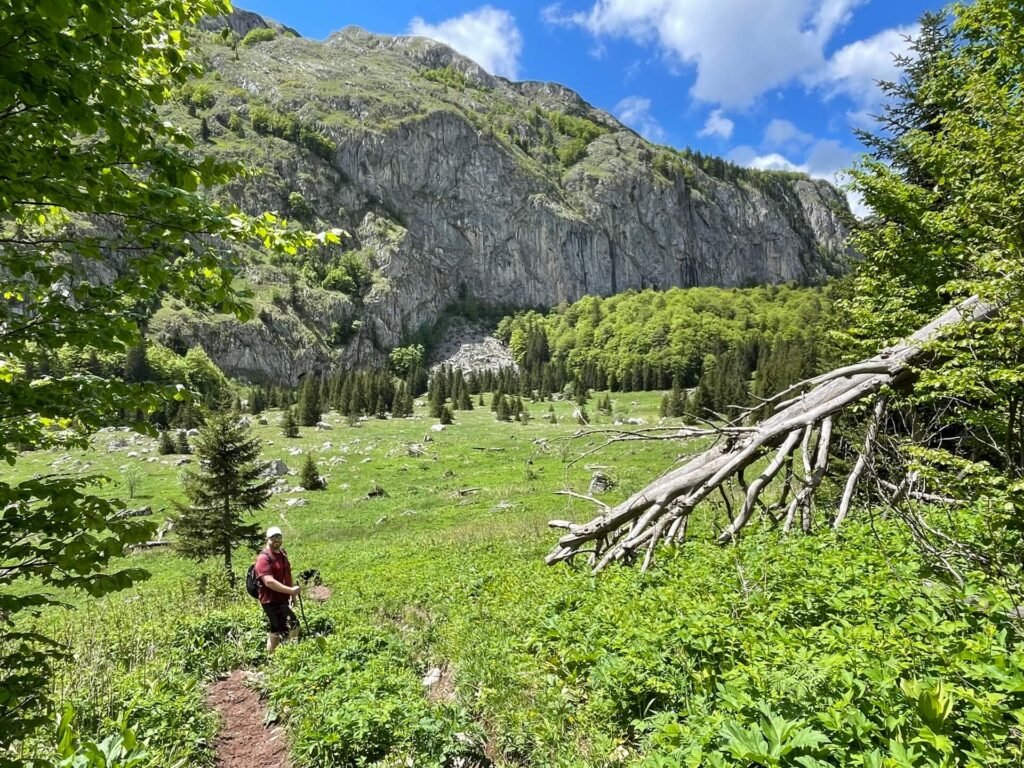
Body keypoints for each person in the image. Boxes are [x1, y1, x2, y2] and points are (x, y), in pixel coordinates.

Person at [254, 526, 302, 653]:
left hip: (282, 598)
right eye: (273, 537)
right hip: (271, 601)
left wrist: (292, 595)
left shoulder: (282, 554)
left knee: (275, 629)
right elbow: (269, 582)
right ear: (267, 539)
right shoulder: (263, 558)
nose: (277, 540)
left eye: (279, 537)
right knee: (294, 625)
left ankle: (271, 657)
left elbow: (287, 575)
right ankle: (289, 654)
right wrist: (291, 591)